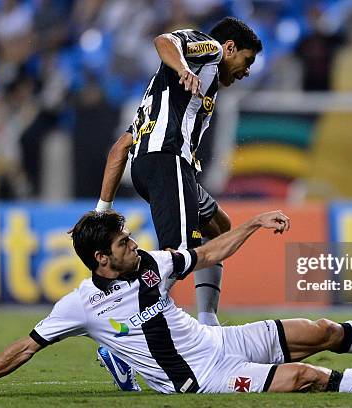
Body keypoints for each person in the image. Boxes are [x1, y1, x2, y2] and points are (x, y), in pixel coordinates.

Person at [0, 209, 352, 395]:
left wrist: (254, 224)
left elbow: (207, 252)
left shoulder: (150, 262)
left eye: (129, 238)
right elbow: (27, 346)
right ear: (100, 260)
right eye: (122, 243)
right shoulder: (81, 305)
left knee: (317, 330)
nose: (133, 244)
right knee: (305, 377)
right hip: (202, 377)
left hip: (218, 340)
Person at [94, 16, 262, 389]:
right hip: (167, 161)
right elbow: (164, 39)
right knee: (180, 254)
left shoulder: (158, 97)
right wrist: (186, 67)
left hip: (158, 167)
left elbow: (119, 149)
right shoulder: (212, 51)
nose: (246, 72)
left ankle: (207, 322)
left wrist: (100, 212)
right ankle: (122, 343)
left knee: (219, 228)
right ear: (231, 48)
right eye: (247, 62)